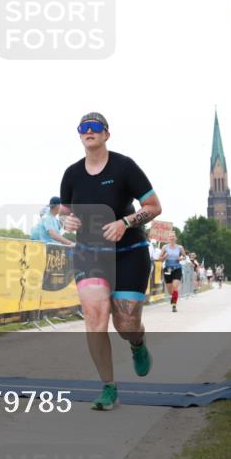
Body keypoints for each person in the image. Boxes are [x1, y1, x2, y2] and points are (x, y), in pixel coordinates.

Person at [60, 112, 162, 411]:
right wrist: (69, 221)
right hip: (90, 253)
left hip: (128, 250)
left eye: (95, 127)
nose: (88, 131)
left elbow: (154, 206)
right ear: (80, 136)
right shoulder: (72, 174)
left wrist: (125, 222)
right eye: (83, 128)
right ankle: (108, 387)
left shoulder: (124, 166)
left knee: (126, 322)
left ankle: (137, 342)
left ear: (106, 134)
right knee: (95, 318)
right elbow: (65, 212)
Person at [159, 233, 187, 312]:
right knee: (170, 290)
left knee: (175, 286)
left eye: (173, 236)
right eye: (170, 236)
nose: (171, 238)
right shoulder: (165, 247)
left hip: (177, 268)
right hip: (167, 269)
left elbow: (185, 256)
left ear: (176, 238)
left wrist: (181, 258)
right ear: (168, 238)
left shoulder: (180, 247)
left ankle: (174, 305)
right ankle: (174, 297)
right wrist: (164, 257)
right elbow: (159, 258)